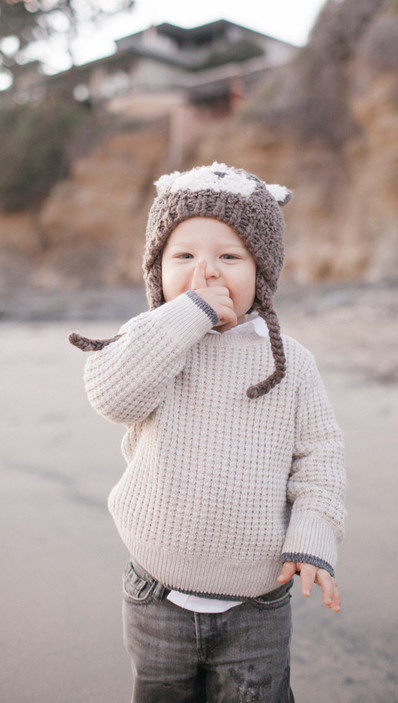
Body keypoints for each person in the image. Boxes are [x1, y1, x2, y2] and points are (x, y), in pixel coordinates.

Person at [70, 162, 347, 703]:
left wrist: (313, 537)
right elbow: (111, 396)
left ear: (261, 271)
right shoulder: (152, 342)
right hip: (156, 596)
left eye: (228, 256)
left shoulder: (291, 363)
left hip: (257, 605)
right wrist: (185, 318)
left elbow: (320, 458)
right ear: (156, 269)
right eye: (184, 256)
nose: (207, 273)